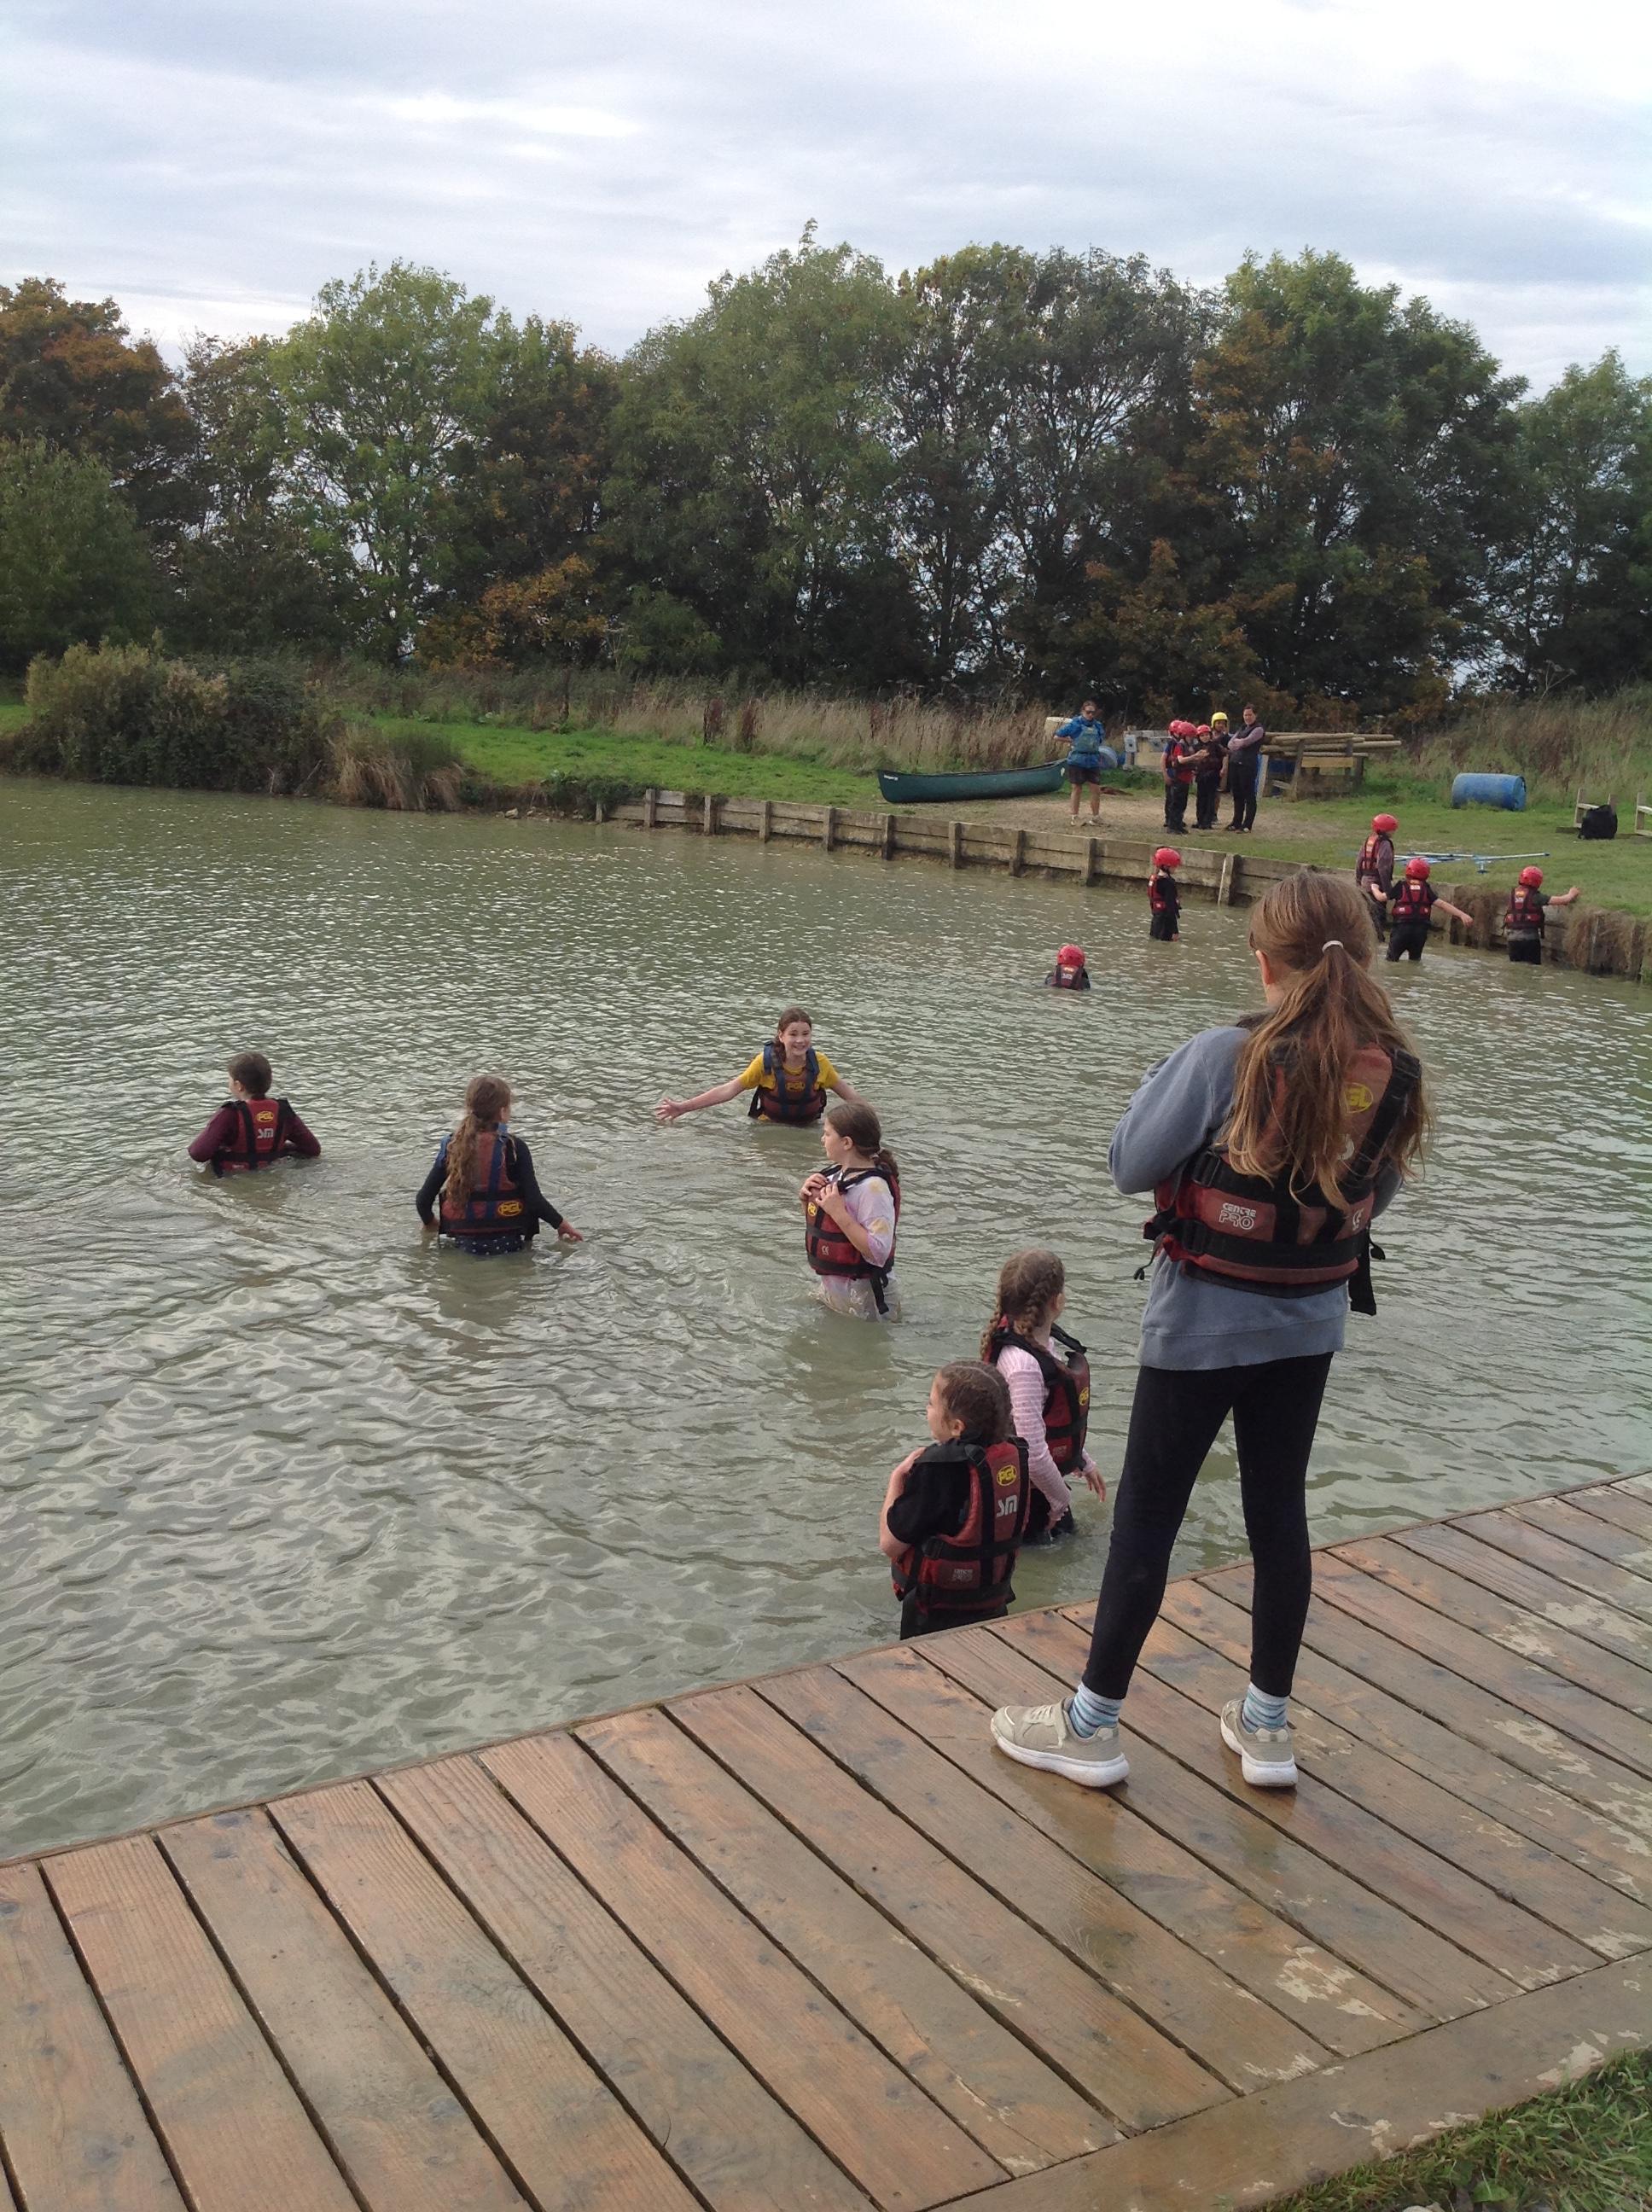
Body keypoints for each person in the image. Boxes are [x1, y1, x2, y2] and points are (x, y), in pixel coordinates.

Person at [988, 872, 1428, 1792]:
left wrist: (1161, 1085)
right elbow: (1371, 1200)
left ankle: (1090, 1727)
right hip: (1308, 1326)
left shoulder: (1224, 1056)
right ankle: (1266, 1727)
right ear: (1364, 957)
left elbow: (1127, 1164)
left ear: (1262, 963)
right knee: (1279, 1513)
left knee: (1147, 1517)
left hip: (1200, 1327)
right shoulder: (1390, 1069)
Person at [880, 1361, 1032, 1639]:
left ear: (956, 1426)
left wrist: (896, 1478)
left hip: (935, 1616)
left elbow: (890, 1544)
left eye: (930, 1404)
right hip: (993, 1603)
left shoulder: (938, 1470)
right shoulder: (1012, 1455)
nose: (926, 1409)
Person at [983, 1250, 1105, 1545]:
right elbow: (1034, 1453)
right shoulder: (1023, 1366)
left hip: (1038, 1488)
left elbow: (1043, 1423)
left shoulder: (1038, 1348)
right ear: (1057, 1301)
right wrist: (1061, 1502)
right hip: (1025, 1497)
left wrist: (1082, 1460)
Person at [416, 1074, 583, 1256]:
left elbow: (423, 1200)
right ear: (503, 1112)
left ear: (469, 1108)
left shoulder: (452, 1146)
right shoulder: (514, 1147)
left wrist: (430, 1223)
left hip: (463, 1247)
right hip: (510, 1247)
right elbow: (535, 1201)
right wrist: (561, 1225)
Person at [655, 1007, 862, 1126]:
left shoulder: (820, 1063)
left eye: (805, 1034)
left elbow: (850, 1096)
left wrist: (872, 1122)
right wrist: (683, 1107)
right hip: (768, 1128)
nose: (800, 1041)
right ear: (781, 1036)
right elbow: (729, 1090)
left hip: (808, 1127)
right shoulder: (765, 1063)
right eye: (793, 1034)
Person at [800, 1099, 900, 1318]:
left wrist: (839, 1213)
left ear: (846, 1143)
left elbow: (878, 1252)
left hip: (869, 1299)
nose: (822, 1139)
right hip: (833, 1291)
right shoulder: (835, 1176)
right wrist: (806, 1199)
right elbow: (823, 1229)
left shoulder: (874, 1189)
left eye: (827, 1134)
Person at [189, 1051, 321, 1176]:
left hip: (233, 1178)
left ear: (238, 1085)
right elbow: (313, 1149)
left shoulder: (230, 1114)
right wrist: (282, 1148)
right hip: (272, 1175)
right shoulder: (284, 1111)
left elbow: (198, 1153)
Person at [1378, 859, 1475, 963]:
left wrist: (1374, 888)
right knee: (1415, 961)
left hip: (1401, 930)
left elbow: (1381, 898)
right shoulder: (1426, 889)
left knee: (1391, 961)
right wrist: (1462, 915)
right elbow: (1442, 904)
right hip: (1420, 932)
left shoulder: (1401, 886)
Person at [1504, 867, 1579, 965]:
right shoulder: (1535, 897)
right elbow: (1563, 900)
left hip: (1512, 940)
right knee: (1532, 968)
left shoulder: (1513, 894)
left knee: (1516, 966)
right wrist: (1572, 894)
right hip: (1530, 940)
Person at [1057, 697, 1108, 824]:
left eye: (1093, 712)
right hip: (1077, 760)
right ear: (1082, 712)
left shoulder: (1098, 726)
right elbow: (1057, 736)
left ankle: (1096, 817)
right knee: (1077, 788)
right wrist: (1071, 740)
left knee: (1096, 789)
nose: (1091, 715)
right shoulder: (1075, 724)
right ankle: (1075, 817)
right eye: (1088, 712)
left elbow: (1100, 740)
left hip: (1093, 760)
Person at [1355, 814, 1399, 939]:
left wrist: (1358, 883)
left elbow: (1359, 863)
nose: (1394, 832)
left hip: (1364, 883)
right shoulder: (1385, 844)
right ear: (1387, 830)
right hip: (1377, 885)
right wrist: (1388, 890)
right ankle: (1378, 939)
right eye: (1392, 830)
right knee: (1378, 917)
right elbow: (1383, 868)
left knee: (1367, 915)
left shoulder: (1368, 841)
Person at [1226, 707, 1266, 832]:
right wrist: (1238, 743)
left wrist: (1238, 742)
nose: (1247, 717)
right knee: (1237, 794)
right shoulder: (1242, 728)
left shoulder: (1258, 729)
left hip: (1247, 764)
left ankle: (1247, 824)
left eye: (1250, 715)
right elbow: (1230, 744)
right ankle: (1236, 821)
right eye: (1245, 715)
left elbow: (1246, 742)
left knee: (1248, 794)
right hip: (1235, 762)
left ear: (1255, 715)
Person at [1193, 717, 1227, 830]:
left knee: (1210, 799)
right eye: (1202, 735)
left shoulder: (1216, 745)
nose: (1205, 737)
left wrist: (1223, 768)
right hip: (1201, 776)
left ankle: (1207, 822)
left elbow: (1225, 755)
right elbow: (1192, 760)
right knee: (1200, 799)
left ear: (1210, 735)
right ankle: (1200, 820)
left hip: (1213, 775)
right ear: (1198, 737)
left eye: (1207, 734)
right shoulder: (1196, 747)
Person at [1162, 723, 1196, 832]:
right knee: (1176, 803)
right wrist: (1195, 756)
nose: (1192, 739)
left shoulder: (1187, 746)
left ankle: (1178, 824)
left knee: (1182, 803)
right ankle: (1172, 825)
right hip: (1179, 778)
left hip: (1186, 779)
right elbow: (1180, 760)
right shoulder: (1179, 746)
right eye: (1190, 736)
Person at [1149, 847, 1182, 941]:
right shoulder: (1168, 883)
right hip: (1166, 924)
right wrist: (1175, 931)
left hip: (1156, 922)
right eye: (1174, 866)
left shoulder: (1155, 879)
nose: (1176, 868)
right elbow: (1170, 907)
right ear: (1166, 866)